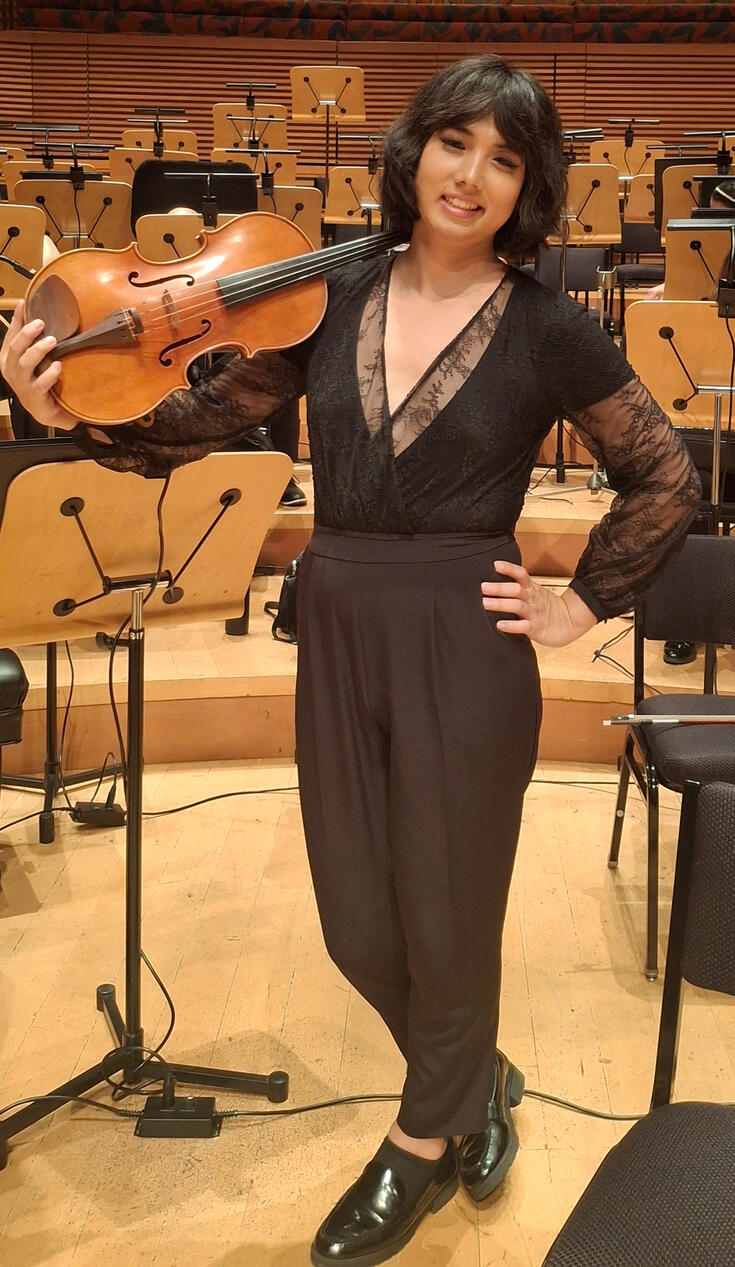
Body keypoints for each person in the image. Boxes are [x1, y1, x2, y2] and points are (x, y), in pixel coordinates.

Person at [0, 56, 701, 1266]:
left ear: (529, 187)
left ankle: (418, 1144)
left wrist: (583, 602)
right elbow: (189, 424)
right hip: (336, 613)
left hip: (466, 633)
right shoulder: (328, 291)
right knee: (359, 923)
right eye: (455, 143)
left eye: (505, 158)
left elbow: (666, 475)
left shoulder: (549, 328)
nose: (471, 175)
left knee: (449, 908)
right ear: (414, 148)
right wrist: (63, 410)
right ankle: (474, 1078)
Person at [642, 177, 735, 665]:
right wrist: (679, 300)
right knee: (685, 481)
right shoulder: (721, 271)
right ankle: (686, 618)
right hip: (711, 426)